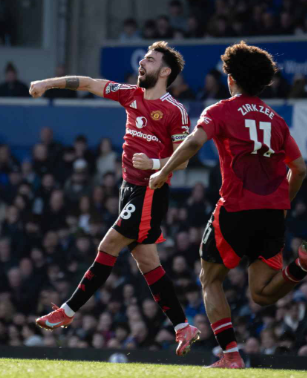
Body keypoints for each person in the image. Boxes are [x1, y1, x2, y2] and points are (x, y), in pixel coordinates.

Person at [149, 41, 307, 369]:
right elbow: (300, 169)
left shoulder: (220, 111)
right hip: (271, 217)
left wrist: (161, 171)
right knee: (262, 294)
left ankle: (230, 356)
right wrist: (283, 204)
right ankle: (303, 265)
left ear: (231, 79)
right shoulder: (276, 120)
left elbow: (194, 142)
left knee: (210, 280)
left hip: (235, 210)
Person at [28, 41, 199, 356]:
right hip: (128, 188)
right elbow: (90, 83)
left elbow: (184, 159)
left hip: (150, 190)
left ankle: (67, 311)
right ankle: (183, 327)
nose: (142, 63)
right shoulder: (130, 94)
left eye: (149, 59)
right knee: (147, 261)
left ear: (165, 71)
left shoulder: (174, 110)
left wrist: (156, 165)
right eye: (143, 58)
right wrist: (47, 84)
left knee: (107, 246)